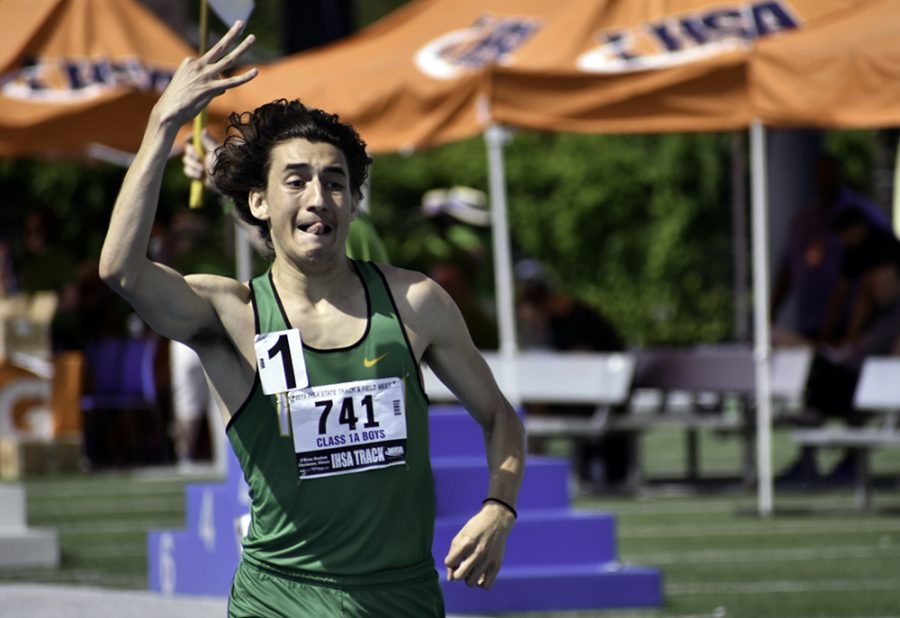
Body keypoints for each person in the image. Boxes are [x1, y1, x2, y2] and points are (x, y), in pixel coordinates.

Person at [99, 22, 524, 618]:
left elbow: (501, 417)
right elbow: (121, 269)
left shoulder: (414, 303)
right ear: (259, 202)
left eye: (334, 182)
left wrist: (499, 508)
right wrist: (161, 125)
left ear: (352, 202)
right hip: (279, 598)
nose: (317, 197)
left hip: (402, 597)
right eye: (295, 181)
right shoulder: (232, 315)